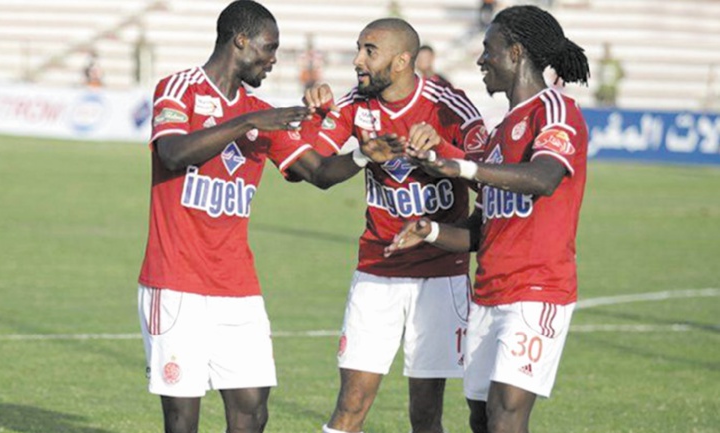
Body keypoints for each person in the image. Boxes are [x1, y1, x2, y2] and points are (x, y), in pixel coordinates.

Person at [136, 2, 402, 433]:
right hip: (176, 282)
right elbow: (172, 153)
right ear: (240, 41)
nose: (274, 58)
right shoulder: (179, 88)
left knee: (253, 408)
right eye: (269, 47)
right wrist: (247, 122)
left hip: (237, 286)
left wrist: (361, 155)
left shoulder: (262, 113)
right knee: (182, 419)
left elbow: (318, 172)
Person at [385, 5, 590, 433]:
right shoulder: (500, 134)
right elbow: (484, 230)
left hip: (538, 291)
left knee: (504, 416)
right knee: (481, 418)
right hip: (489, 293)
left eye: (488, 49)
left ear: (515, 53)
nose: (481, 59)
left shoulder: (554, 110)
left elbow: (544, 177)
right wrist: (431, 231)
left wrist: (463, 168)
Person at [302, 17, 488, 433]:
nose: (357, 60)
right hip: (377, 271)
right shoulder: (355, 105)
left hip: (441, 276)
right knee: (350, 406)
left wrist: (442, 152)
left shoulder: (448, 105)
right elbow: (314, 169)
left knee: (425, 416)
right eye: (358, 49)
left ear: (402, 60)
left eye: (369, 51)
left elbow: (486, 174)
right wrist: (353, 150)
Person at [594, 41, 624, 107]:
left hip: (612, 91)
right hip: (602, 91)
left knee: (611, 106)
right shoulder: (601, 62)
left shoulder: (615, 63)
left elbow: (622, 74)